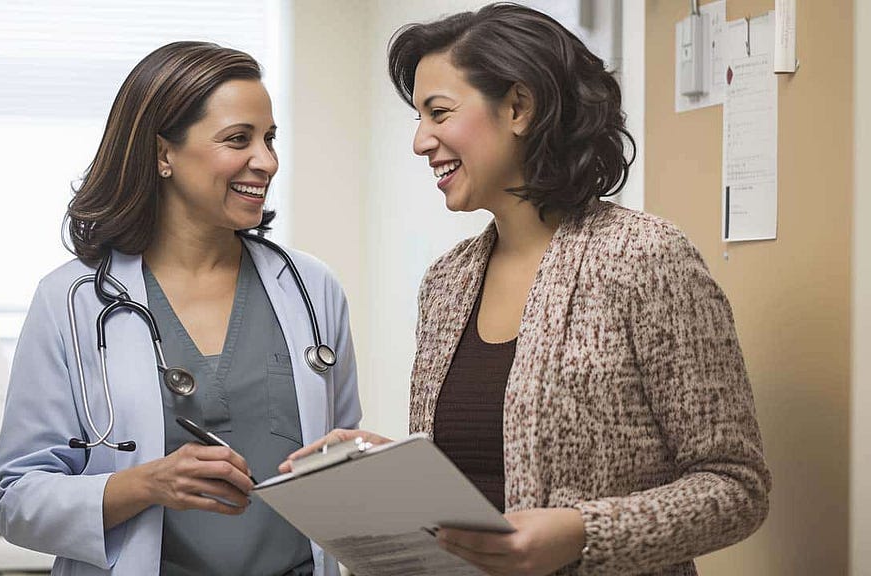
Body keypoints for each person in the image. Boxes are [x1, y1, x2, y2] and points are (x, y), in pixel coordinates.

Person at [283, 4, 770, 575]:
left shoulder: (645, 259)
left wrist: (582, 533)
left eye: (438, 112)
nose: (419, 141)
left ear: (518, 107)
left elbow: (737, 488)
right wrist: (389, 472)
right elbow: (488, 476)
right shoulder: (447, 281)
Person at [0, 41, 361, 576]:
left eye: (270, 139)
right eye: (239, 139)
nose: (267, 161)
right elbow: (16, 500)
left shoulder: (309, 286)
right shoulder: (71, 301)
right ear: (164, 153)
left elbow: (341, 463)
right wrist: (144, 484)